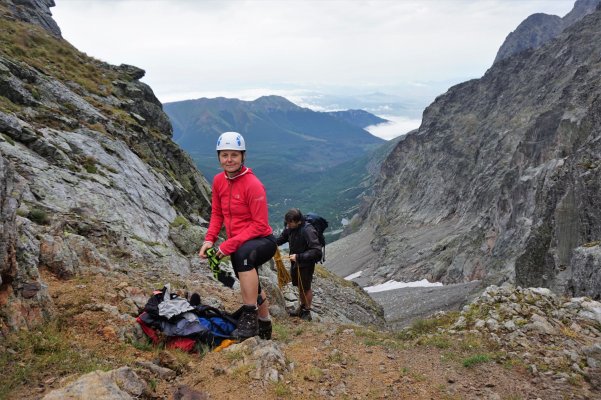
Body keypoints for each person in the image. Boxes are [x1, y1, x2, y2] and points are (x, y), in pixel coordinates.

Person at [199, 131, 276, 340]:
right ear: (219, 157)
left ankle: (249, 317)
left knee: (242, 256)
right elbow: (217, 213)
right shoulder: (218, 181)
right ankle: (264, 323)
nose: (229, 160)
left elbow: (260, 225)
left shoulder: (253, 185)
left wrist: (227, 246)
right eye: (224, 155)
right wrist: (210, 239)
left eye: (234, 155)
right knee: (251, 283)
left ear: (243, 156)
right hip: (239, 243)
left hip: (262, 241)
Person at [275, 208, 322, 321]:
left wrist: (298, 257)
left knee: (306, 287)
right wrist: (270, 242)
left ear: (298, 221)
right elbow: (281, 239)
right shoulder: (290, 227)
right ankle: (301, 308)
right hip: (296, 262)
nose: (288, 225)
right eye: (287, 222)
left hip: (306, 264)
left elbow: (316, 250)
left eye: (290, 222)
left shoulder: (307, 230)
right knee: (300, 286)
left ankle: (307, 312)